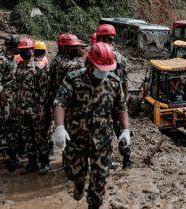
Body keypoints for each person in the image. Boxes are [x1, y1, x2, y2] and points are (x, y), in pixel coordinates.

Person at [53, 42, 130, 209]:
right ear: (90, 63)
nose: (103, 72)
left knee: (99, 182)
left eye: (107, 68)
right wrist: (60, 127)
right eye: (100, 68)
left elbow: (121, 107)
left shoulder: (114, 82)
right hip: (76, 140)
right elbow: (60, 103)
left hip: (103, 142)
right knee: (74, 173)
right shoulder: (73, 79)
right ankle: (78, 184)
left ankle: (93, 203)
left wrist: (125, 130)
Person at [96, 24, 131, 169]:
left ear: (101, 38)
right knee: (122, 130)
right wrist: (124, 100)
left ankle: (106, 160)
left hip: (101, 101)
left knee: (104, 132)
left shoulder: (95, 54)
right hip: (117, 100)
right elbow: (125, 83)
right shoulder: (120, 58)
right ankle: (127, 160)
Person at [14, 37, 49, 174]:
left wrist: (42, 109)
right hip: (22, 109)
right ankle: (32, 162)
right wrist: (16, 105)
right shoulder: (19, 68)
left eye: (26, 50)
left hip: (35, 109)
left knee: (40, 136)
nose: (24, 52)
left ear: (32, 50)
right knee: (27, 136)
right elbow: (16, 88)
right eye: (21, 50)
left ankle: (44, 162)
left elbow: (43, 91)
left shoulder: (38, 68)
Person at [0, 35, 21, 171]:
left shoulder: (13, 60)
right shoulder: (1, 60)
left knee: (14, 126)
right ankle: (10, 155)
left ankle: (13, 153)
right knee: (8, 126)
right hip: (6, 99)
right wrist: (2, 96)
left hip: (13, 98)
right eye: (18, 47)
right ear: (12, 47)